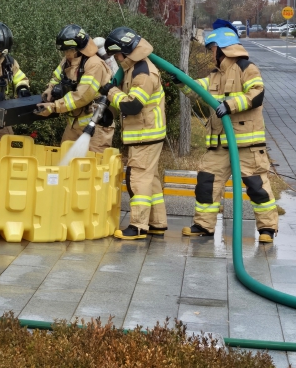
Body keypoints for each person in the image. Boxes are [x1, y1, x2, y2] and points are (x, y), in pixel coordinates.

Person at [177, 19, 278, 243]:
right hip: (219, 147)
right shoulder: (215, 75)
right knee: (206, 184)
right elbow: (196, 89)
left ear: (222, 48)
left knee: (257, 187)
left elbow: (256, 94)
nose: (210, 54)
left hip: (247, 146)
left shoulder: (247, 69)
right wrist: (181, 81)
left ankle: (267, 229)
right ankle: (203, 225)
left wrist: (229, 105)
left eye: (212, 49)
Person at [101, 26, 168, 240]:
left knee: (137, 179)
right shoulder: (134, 68)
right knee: (150, 179)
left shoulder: (143, 73)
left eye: (117, 54)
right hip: (146, 134)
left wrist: (111, 92)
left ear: (125, 51)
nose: (116, 58)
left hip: (145, 135)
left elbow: (133, 105)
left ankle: (138, 227)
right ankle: (157, 223)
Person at [35, 24, 114, 153]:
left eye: (67, 50)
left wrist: (54, 107)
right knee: (64, 160)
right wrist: (50, 89)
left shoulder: (94, 65)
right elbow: (57, 77)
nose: (65, 54)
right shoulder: (67, 61)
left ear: (77, 49)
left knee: (93, 163)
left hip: (95, 125)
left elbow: (82, 96)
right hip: (74, 124)